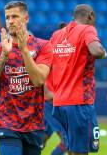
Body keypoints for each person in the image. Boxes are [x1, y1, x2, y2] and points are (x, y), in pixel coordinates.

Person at [0, 0, 53, 155]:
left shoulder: (43, 47)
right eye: (7, 17)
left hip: (34, 124)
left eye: (15, 16)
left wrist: (24, 51)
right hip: (6, 123)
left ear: (26, 18)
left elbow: (39, 80)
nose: (10, 21)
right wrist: (4, 56)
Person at [49, 4, 107, 155]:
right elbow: (97, 51)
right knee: (81, 152)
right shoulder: (87, 29)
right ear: (90, 15)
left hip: (59, 104)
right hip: (79, 103)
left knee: (71, 149)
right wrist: (103, 52)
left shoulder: (57, 35)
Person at [43, 21, 68, 155]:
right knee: (68, 140)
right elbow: (40, 74)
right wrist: (47, 93)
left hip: (60, 103)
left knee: (41, 139)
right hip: (50, 103)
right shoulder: (51, 51)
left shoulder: (69, 54)